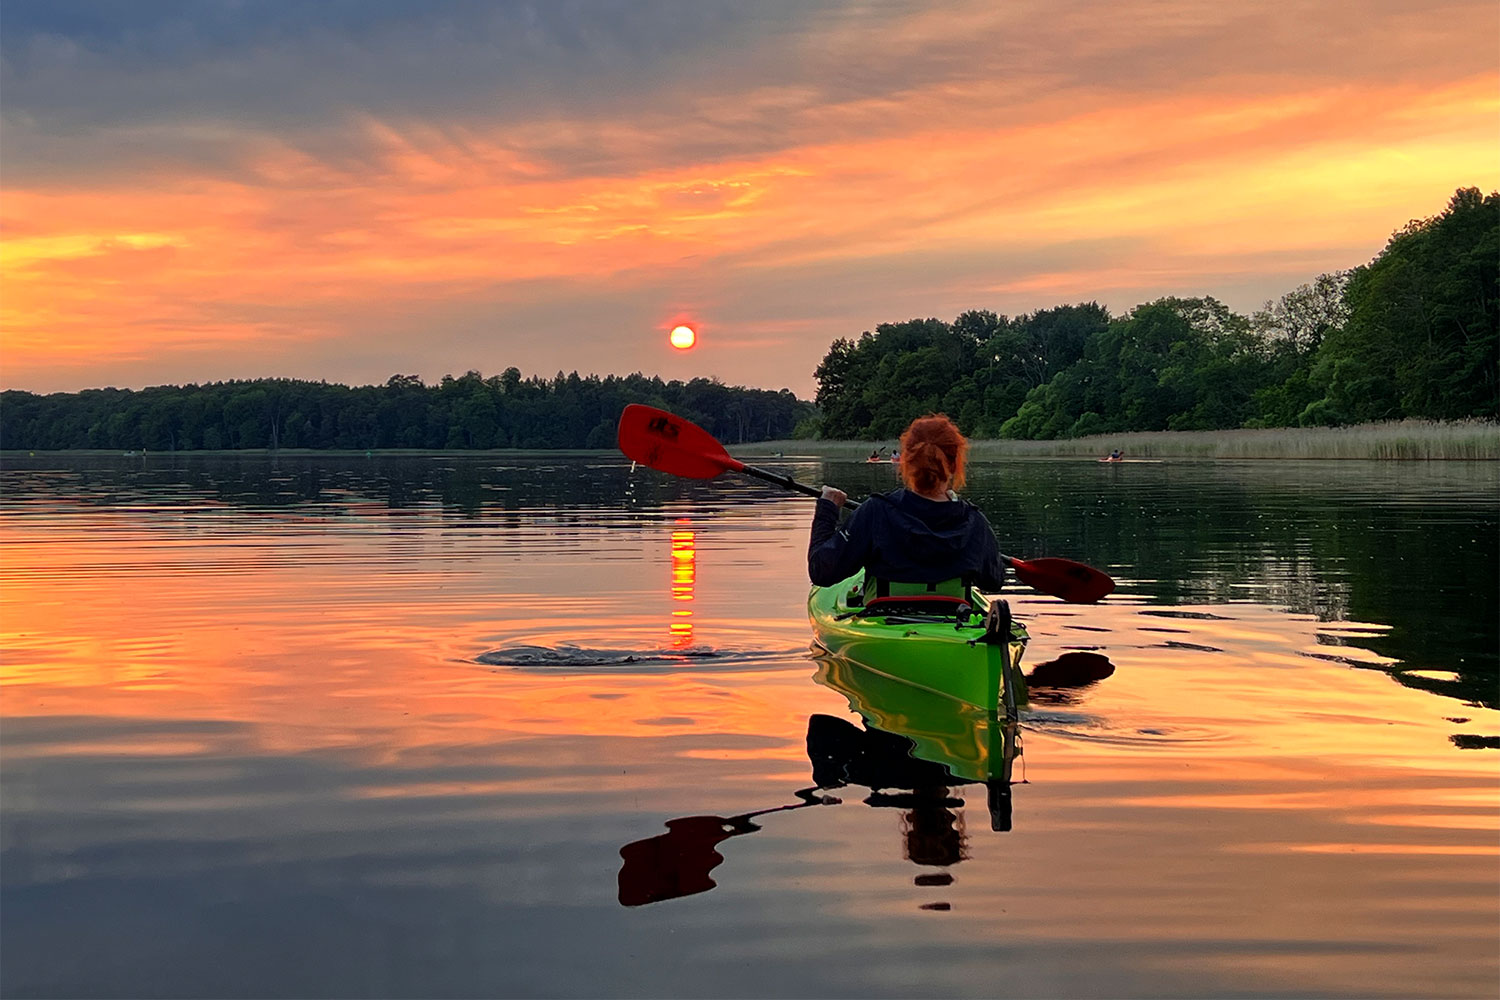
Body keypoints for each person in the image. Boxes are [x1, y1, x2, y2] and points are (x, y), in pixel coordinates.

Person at [808, 413, 1005, 593]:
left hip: (884, 622)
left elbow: (821, 572)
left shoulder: (876, 512)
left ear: (906, 462)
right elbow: (993, 582)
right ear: (954, 464)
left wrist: (828, 509)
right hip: (954, 622)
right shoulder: (973, 521)